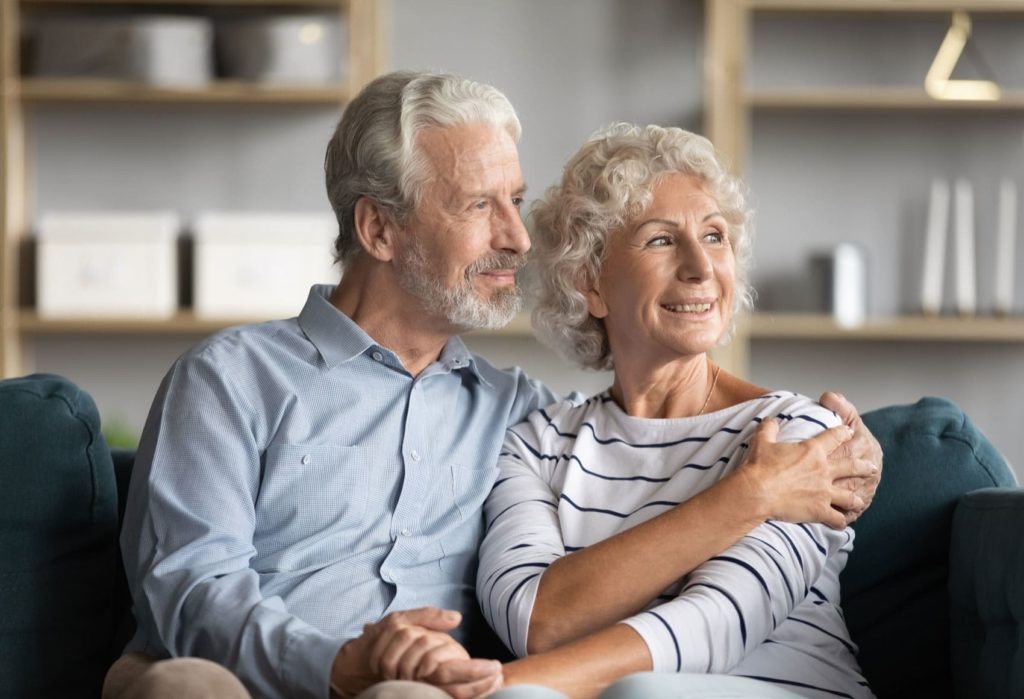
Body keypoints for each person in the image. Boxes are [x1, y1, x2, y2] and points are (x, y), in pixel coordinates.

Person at [106, 72, 881, 699]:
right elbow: (192, 590)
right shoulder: (230, 378)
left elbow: (649, 442)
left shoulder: (516, 412)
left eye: (514, 199)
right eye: (481, 206)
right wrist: (340, 663)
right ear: (379, 230)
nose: (516, 236)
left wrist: (840, 444)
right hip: (231, 675)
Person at [476, 123, 876, 699]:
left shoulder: (800, 436)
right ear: (589, 282)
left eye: (715, 236)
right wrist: (749, 495)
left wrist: (473, 690)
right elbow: (538, 621)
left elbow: (714, 625)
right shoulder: (536, 445)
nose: (700, 266)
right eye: (662, 240)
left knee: (641, 693)